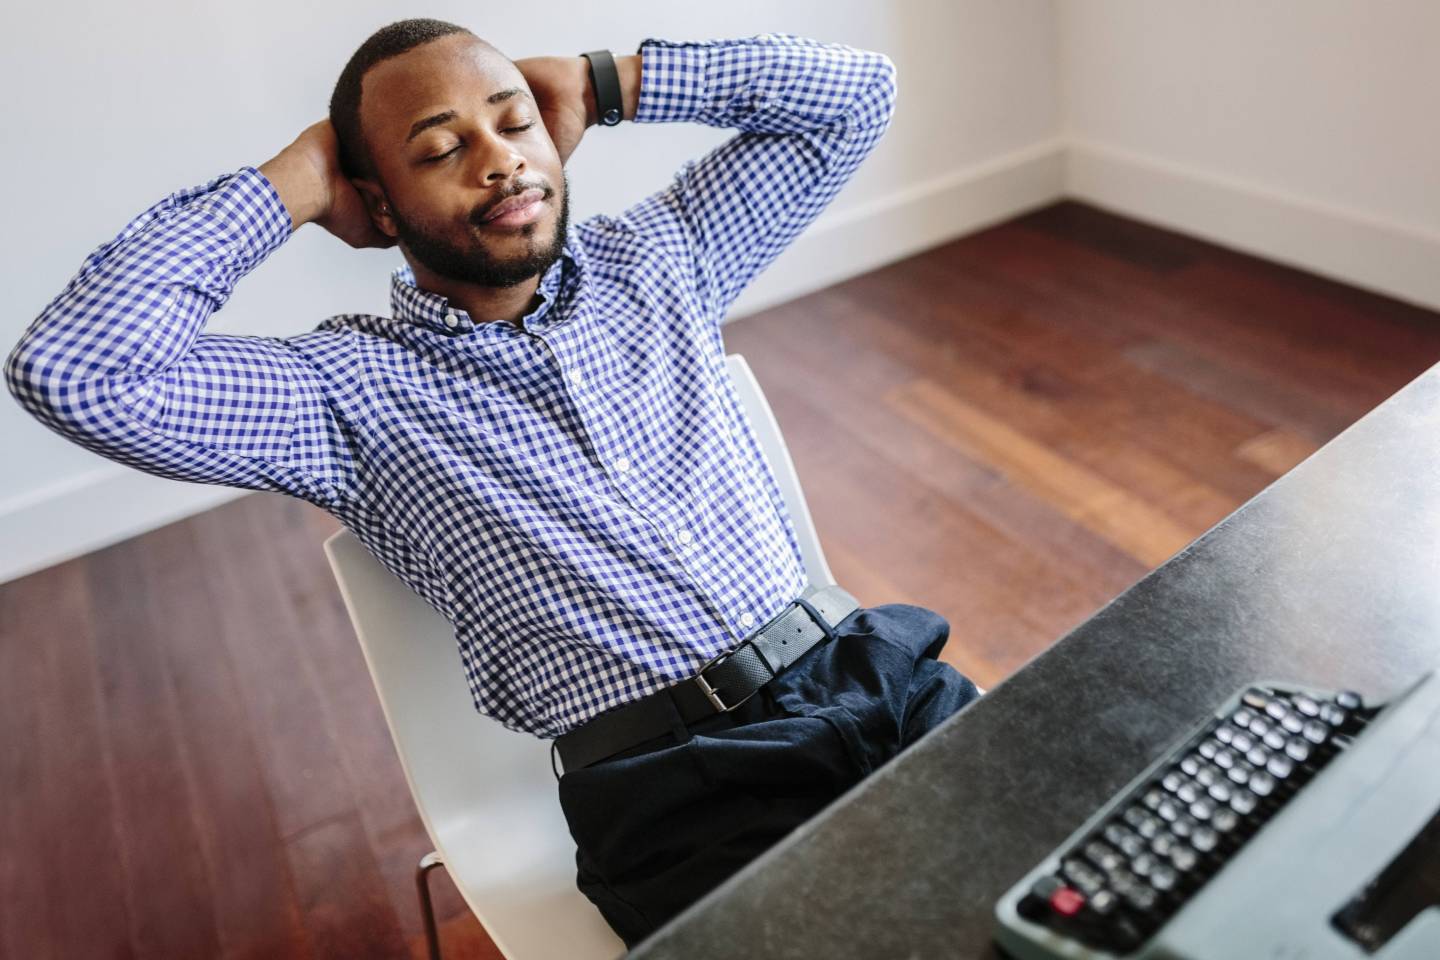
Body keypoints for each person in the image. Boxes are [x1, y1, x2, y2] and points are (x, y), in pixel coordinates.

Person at [4, 18, 981, 947]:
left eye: (514, 123)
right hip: (685, 795)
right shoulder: (344, 392)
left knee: (1094, 876)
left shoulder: (660, 258)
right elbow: (74, 370)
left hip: (867, 670)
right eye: (439, 150)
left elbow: (856, 97)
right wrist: (293, 183)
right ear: (379, 206)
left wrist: (605, 82)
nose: (499, 158)